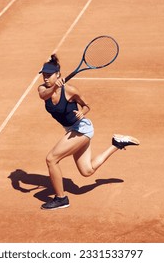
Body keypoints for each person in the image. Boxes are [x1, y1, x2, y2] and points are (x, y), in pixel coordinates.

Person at [37, 54, 139, 210]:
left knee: (51, 159)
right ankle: (117, 144)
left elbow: (87, 106)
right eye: (44, 75)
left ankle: (61, 198)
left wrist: (82, 112)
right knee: (87, 171)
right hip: (71, 130)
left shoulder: (71, 90)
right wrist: (55, 86)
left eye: (49, 75)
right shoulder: (43, 89)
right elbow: (44, 95)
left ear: (58, 75)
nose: (45, 78)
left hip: (81, 129)